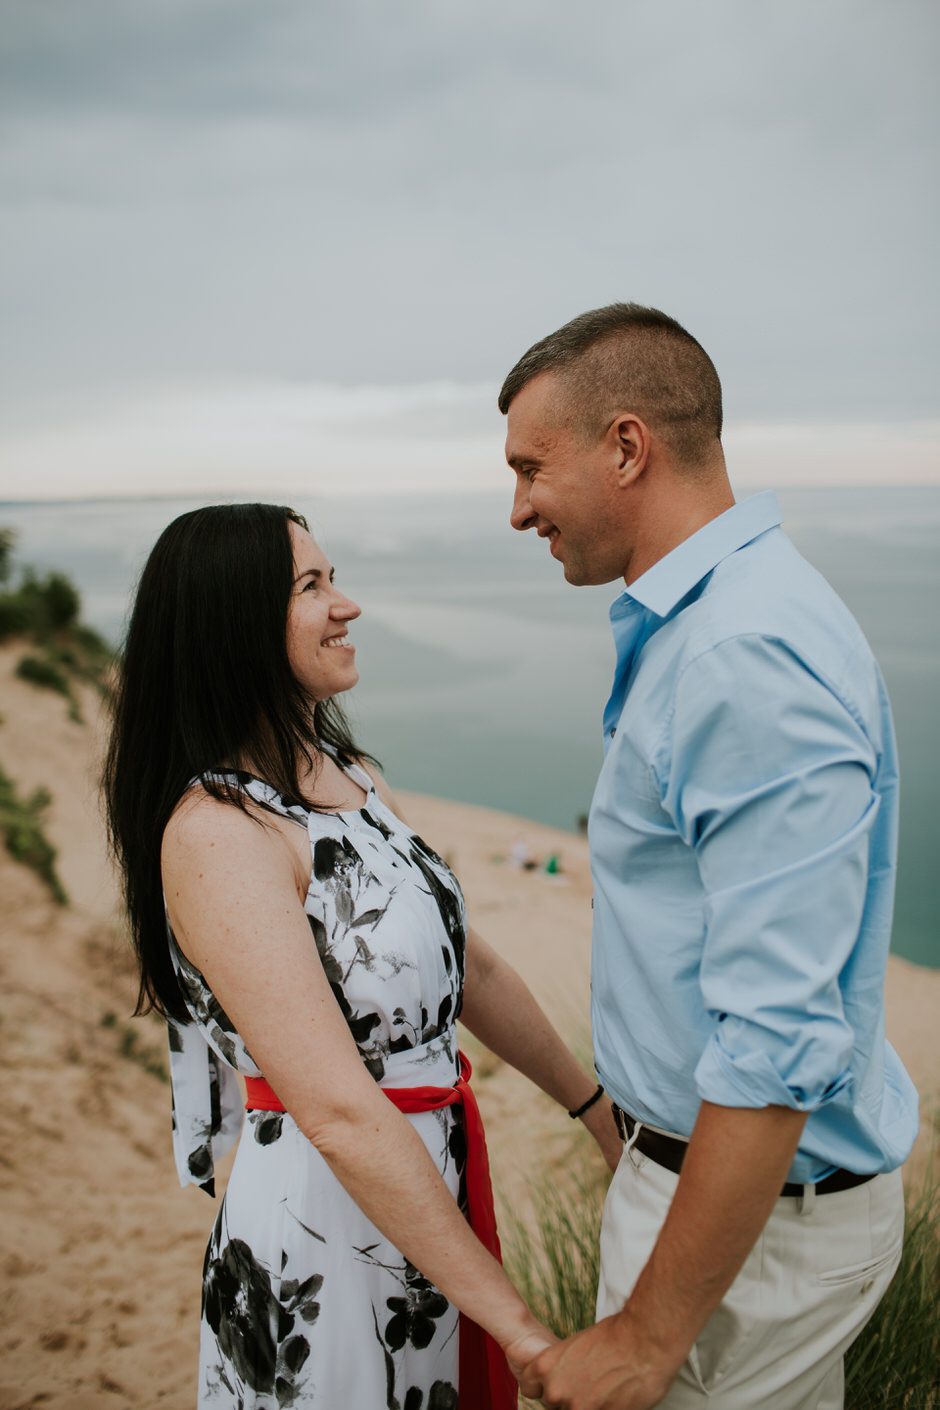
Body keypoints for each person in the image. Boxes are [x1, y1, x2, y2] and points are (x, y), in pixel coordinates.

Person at [103, 503, 622, 1409]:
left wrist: (594, 1112)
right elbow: (340, 1111)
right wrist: (525, 1334)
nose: (347, 606)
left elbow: (474, 969)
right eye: (312, 587)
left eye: (332, 577)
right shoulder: (218, 834)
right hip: (326, 1223)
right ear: (237, 623)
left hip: (428, 1193)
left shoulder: (349, 777)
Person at [499, 304, 919, 1410]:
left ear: (626, 447)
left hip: (749, 1243)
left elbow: (777, 1035)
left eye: (531, 469)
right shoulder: (712, 623)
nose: (517, 509)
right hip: (732, 1216)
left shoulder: (742, 655)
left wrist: (645, 1337)